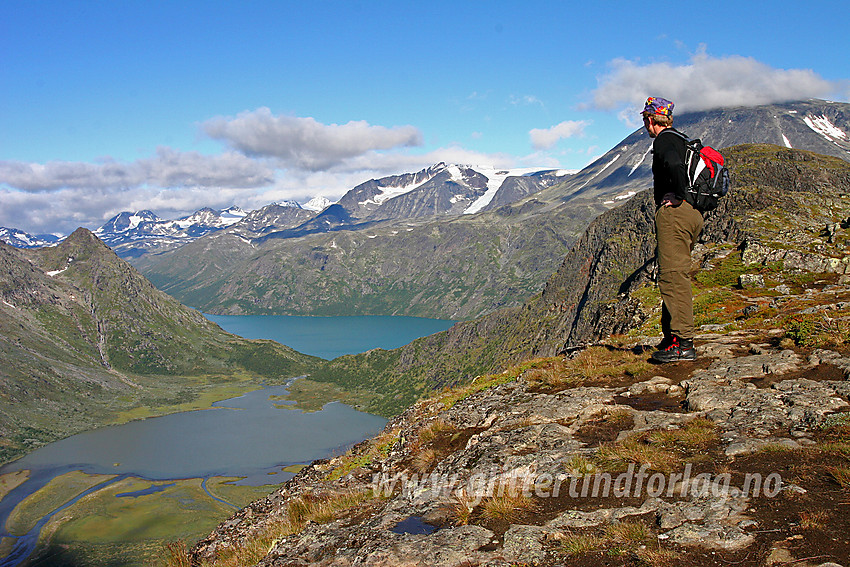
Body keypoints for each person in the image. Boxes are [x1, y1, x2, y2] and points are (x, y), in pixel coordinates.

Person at [641, 96, 703, 363]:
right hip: (692, 215)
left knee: (672, 276)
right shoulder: (682, 138)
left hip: (676, 215)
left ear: (651, 119)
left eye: (645, 118)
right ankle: (672, 337)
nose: (644, 123)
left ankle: (683, 343)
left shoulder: (664, 140)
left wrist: (677, 195)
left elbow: (676, 167)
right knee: (673, 272)